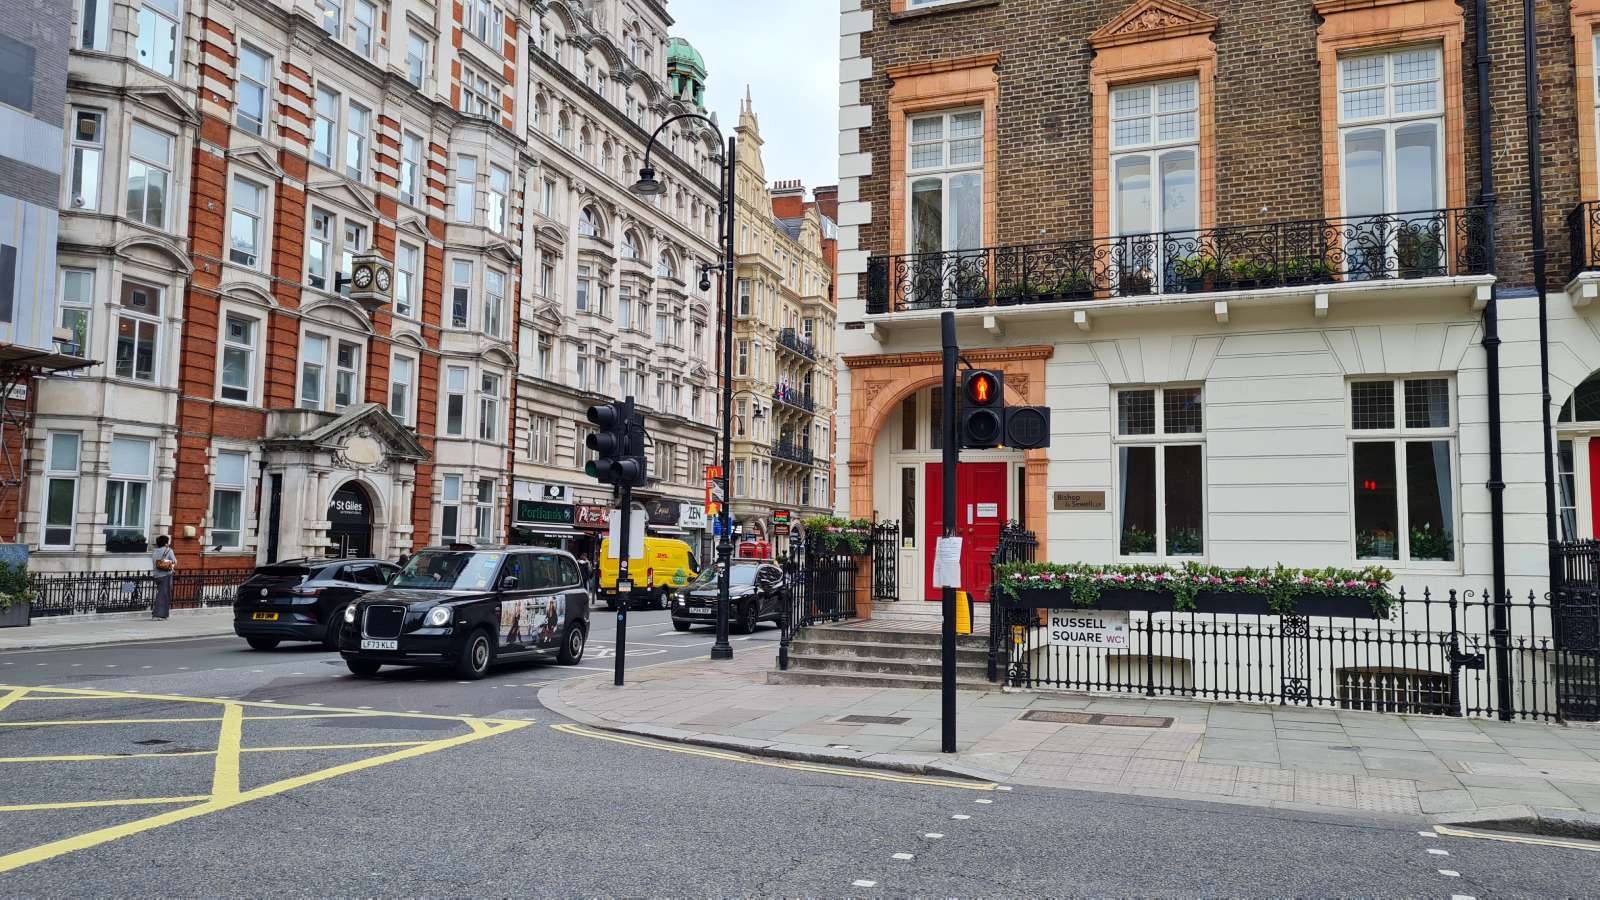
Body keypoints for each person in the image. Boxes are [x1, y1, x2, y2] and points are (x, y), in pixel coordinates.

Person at [151, 535, 176, 620]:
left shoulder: (155, 551)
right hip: (165, 575)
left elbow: (154, 562)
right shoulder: (168, 550)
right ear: (166, 543)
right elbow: (174, 562)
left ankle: (164, 614)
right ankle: (158, 614)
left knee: (162, 594)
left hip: (156, 575)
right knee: (163, 595)